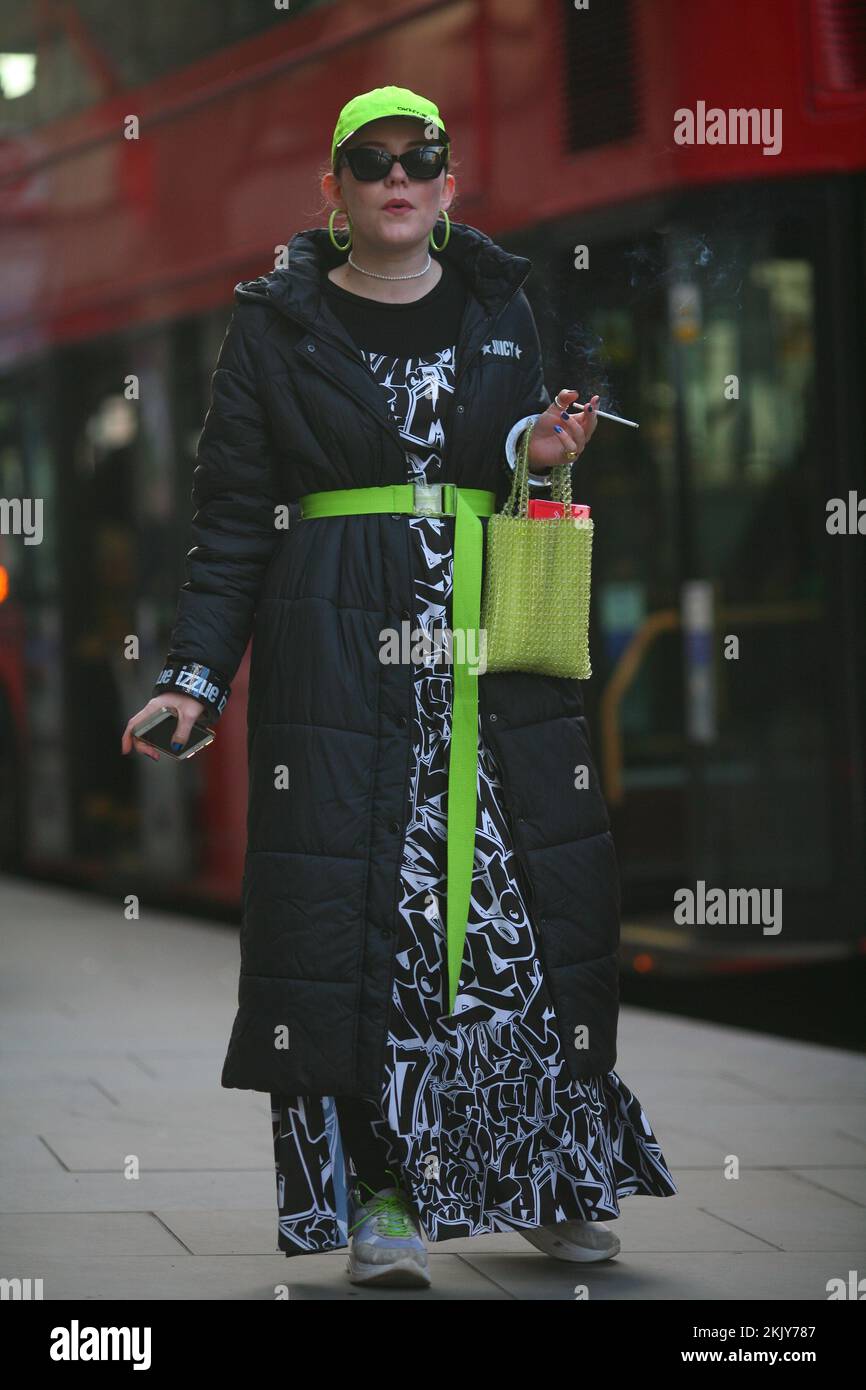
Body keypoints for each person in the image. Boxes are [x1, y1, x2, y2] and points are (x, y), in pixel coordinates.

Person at [122, 85, 677, 1291]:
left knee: (522, 929)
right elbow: (230, 522)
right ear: (331, 185)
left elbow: (535, 461)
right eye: (367, 160)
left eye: (416, 157)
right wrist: (192, 678)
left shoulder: (505, 302)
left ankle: (550, 1178)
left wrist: (534, 459)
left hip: (494, 664)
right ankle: (378, 1199)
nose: (394, 176)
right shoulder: (272, 325)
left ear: (447, 179)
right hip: (339, 666)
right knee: (366, 934)